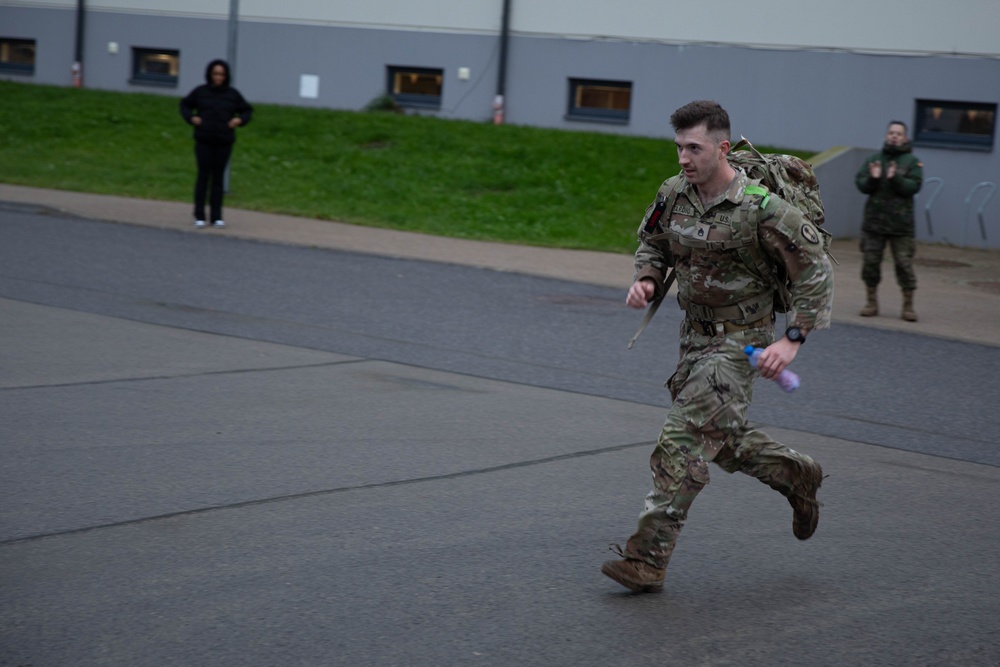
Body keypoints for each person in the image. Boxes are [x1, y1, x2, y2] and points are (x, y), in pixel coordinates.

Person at [601, 100, 834, 593]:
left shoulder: (761, 207)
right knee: (721, 441)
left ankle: (646, 560)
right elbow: (653, 243)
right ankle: (795, 473)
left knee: (681, 441)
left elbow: (815, 269)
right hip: (694, 338)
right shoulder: (674, 193)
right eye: (679, 147)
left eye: (694, 148)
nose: (684, 158)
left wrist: (792, 339)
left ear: (722, 148)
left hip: (742, 343)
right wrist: (646, 278)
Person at [855, 121, 923, 321]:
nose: (894, 136)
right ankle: (871, 303)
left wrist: (896, 179)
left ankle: (908, 306)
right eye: (891, 133)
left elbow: (914, 186)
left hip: (901, 226)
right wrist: (874, 178)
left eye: (898, 134)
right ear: (886, 136)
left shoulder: (912, 161)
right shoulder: (874, 159)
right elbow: (861, 184)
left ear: (905, 138)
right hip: (874, 224)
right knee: (870, 263)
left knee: (904, 264)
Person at [179, 59, 253, 229]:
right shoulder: (201, 92)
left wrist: (239, 120)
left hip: (223, 141)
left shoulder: (232, 95)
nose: (218, 77)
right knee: (203, 176)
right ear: (210, 74)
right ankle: (199, 215)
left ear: (226, 76)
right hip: (204, 140)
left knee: (218, 178)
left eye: (221, 74)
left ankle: (217, 216)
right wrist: (191, 117)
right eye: (215, 74)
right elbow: (185, 105)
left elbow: (247, 110)